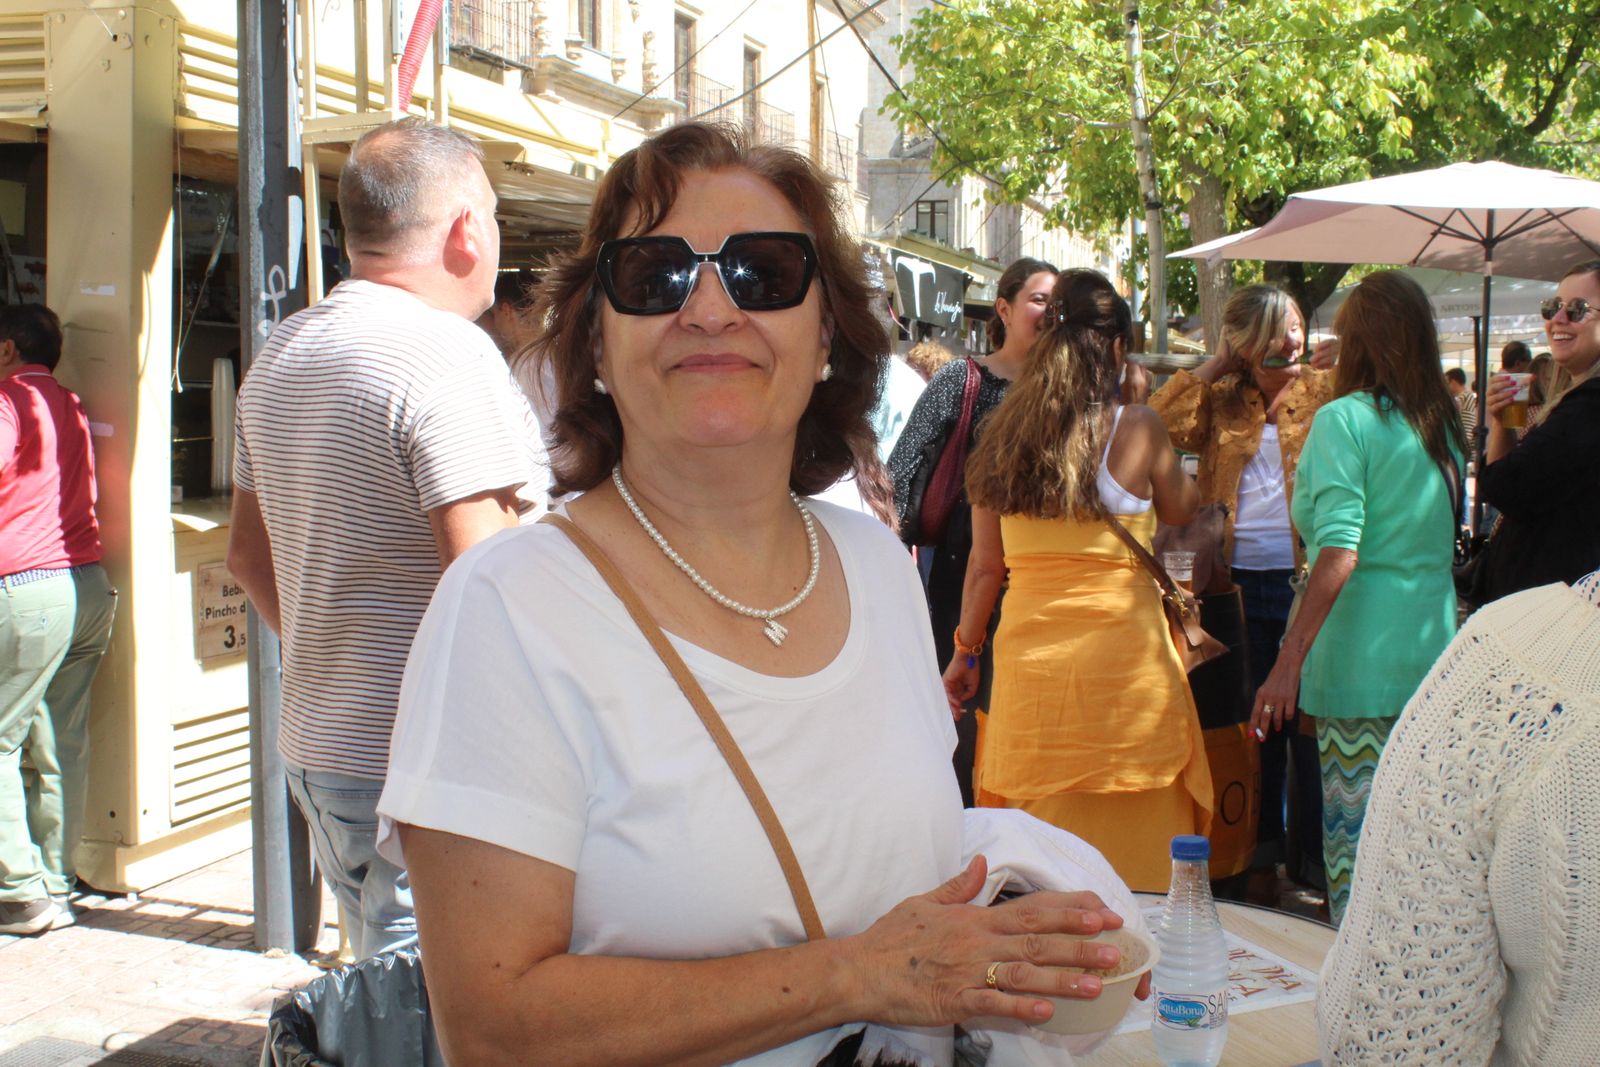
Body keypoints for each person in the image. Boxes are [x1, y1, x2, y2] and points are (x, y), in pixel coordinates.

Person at [377, 123, 1141, 1066]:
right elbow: (491, 1031)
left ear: (825, 336)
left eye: (764, 272)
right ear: (597, 344)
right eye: (655, 274)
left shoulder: (877, 569)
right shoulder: (507, 608)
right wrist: (855, 974)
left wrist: (1004, 932)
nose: (709, 308)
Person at [226, 117, 547, 960]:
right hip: (432, 769)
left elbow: (246, 557)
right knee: (430, 1003)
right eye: (494, 216)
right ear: (466, 229)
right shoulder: (448, 354)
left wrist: (340, 656)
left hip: (322, 749)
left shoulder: (283, 350)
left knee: (382, 981)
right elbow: (488, 578)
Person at [940, 269, 1212, 893]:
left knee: (1042, 877)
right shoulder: (1139, 428)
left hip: (1035, 686)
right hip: (1130, 680)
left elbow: (985, 568)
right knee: (1143, 892)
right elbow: (1183, 508)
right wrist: (1143, 409)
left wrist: (964, 652)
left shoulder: (1000, 435)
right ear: (1115, 348)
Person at [1316, 569, 1600, 1065]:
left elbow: (1387, 1039)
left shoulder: (1514, 661)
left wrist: (1291, 651)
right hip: (1404, 659)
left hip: (1368, 673)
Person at [1250, 270, 1464, 924]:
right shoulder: (1439, 424)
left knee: (1358, 864)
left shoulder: (1344, 420)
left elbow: (1340, 549)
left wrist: (1287, 661)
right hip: (1433, 657)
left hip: (1358, 662)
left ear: (1359, 341)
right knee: (1419, 854)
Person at [1147, 284, 1333, 883]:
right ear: (1248, 342)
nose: (1292, 341)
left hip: (1309, 583)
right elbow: (1155, 423)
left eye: (1297, 326)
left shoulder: (1328, 393)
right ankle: (1256, 856)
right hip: (1233, 585)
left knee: (1308, 725)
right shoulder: (1222, 398)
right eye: (1277, 332)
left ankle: (1312, 863)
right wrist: (1217, 364)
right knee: (1250, 726)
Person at [889, 256, 1057, 806]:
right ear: (1004, 309)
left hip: (1038, 583)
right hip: (963, 573)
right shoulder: (962, 379)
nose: (1049, 312)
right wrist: (888, 570)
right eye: (1038, 300)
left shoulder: (1067, 394)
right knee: (959, 721)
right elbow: (900, 471)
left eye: (1057, 303)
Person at [0, 304, 117, 936]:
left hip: (26, 586)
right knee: (59, 740)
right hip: (87, 584)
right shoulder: (69, 404)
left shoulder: (8, 401)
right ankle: (54, 883)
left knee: (3, 739)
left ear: (7, 349)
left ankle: (18, 895)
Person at [1476, 260, 1600, 601]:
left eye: (1577, 309)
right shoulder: (1580, 401)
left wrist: (1502, 425)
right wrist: (1503, 421)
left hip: (1557, 613)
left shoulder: (1591, 405)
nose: (1557, 319)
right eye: (1552, 306)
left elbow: (1505, 487)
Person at [1444, 366, 1477, 442]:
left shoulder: (1462, 397)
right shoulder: (1469, 396)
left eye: (1447, 383)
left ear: (1454, 382)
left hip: (1466, 441)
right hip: (1471, 440)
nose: (1445, 386)